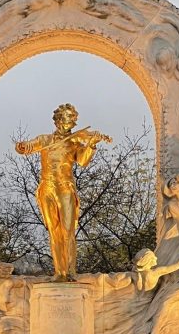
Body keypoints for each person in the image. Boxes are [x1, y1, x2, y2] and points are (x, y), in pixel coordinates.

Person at [15, 104, 111, 280]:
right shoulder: (44, 139)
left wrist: (91, 144)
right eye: (69, 117)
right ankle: (59, 272)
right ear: (59, 120)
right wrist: (21, 147)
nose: (73, 122)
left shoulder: (74, 142)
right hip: (46, 188)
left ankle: (70, 271)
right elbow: (28, 147)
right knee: (54, 231)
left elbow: (82, 161)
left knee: (67, 231)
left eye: (74, 118)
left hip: (65, 188)